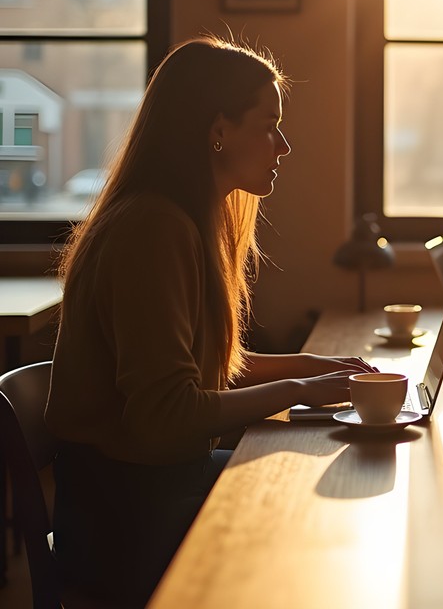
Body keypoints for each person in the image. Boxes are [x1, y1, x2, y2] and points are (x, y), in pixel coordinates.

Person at [45, 36, 376, 607]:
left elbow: (203, 374)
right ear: (217, 130)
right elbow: (165, 415)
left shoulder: (181, 220)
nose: (284, 145)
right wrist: (298, 389)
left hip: (145, 487)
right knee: (311, 518)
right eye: (269, 125)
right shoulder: (151, 229)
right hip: (127, 517)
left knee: (313, 489)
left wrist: (315, 370)